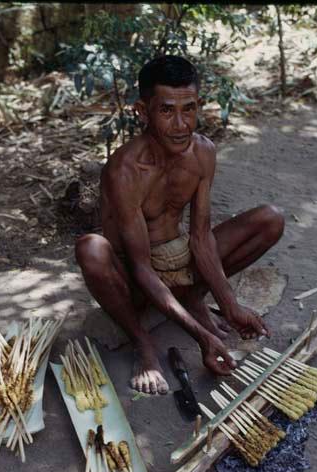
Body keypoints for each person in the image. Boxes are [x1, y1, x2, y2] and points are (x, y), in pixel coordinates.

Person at [75, 55, 284, 394]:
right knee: (91, 248)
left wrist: (230, 306)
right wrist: (200, 337)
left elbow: (201, 239)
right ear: (142, 112)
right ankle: (142, 341)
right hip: (137, 279)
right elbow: (141, 267)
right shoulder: (125, 170)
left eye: (189, 109)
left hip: (182, 264)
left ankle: (193, 299)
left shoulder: (204, 153)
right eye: (167, 111)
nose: (181, 124)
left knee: (270, 219)